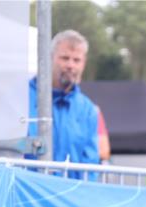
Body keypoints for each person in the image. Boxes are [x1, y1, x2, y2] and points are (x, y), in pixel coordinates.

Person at [26, 30, 101, 166]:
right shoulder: (22, 98)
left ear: (83, 63)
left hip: (69, 187)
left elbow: (91, 163)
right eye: (65, 58)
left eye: (76, 60)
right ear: (49, 58)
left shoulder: (87, 110)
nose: (70, 65)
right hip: (27, 187)